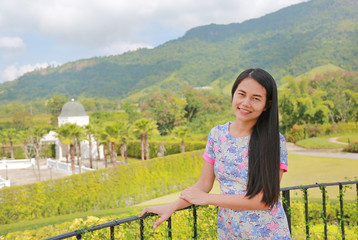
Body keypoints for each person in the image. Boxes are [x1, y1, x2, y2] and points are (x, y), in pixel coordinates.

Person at [140, 68, 291, 239]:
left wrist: (208, 199)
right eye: (241, 94)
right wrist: (172, 206)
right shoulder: (217, 135)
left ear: (267, 105)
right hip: (230, 232)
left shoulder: (274, 141)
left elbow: (264, 200)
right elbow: (203, 184)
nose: (246, 103)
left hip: (267, 233)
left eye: (256, 98)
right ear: (233, 94)